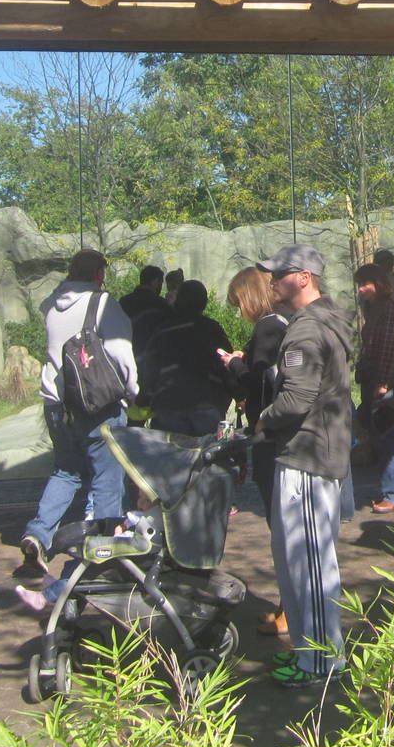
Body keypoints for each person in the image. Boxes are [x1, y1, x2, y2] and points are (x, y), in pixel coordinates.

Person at [252, 243, 355, 688]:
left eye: (280, 274)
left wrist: (262, 419)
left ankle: (322, 664)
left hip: (308, 458)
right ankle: (309, 656)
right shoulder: (328, 319)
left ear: (304, 278)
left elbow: (295, 400)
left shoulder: (306, 329)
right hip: (315, 454)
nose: (272, 282)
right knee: (299, 562)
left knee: (310, 565)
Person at [19, 249, 137, 570]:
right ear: (99, 274)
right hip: (97, 404)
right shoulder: (103, 304)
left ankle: (39, 534)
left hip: (56, 403)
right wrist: (134, 391)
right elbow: (120, 352)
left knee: (66, 471)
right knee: (107, 479)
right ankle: (102, 555)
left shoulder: (50, 306)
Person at [218, 265, 294, 636]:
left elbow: (259, 380)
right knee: (282, 524)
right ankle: (289, 605)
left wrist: (234, 364)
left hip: (270, 435)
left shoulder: (268, 326)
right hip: (279, 433)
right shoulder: (283, 321)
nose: (238, 311)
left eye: (238, 303)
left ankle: (290, 609)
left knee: (280, 526)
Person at [353, 262, 394, 514]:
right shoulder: (375, 309)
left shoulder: (389, 309)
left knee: (385, 437)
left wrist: (381, 383)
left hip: (388, 379)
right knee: (380, 433)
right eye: (359, 284)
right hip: (377, 378)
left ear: (379, 284)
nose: (360, 289)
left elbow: (389, 349)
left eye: (365, 284)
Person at [139, 279, 235, 436]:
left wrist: (145, 399)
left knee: (170, 457)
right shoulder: (212, 329)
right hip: (207, 405)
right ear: (203, 303)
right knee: (207, 457)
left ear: (179, 301)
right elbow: (226, 364)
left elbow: (149, 368)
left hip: (169, 405)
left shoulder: (163, 330)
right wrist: (237, 394)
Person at [119, 264, 172, 356]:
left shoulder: (124, 301)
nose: (161, 287)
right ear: (155, 282)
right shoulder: (161, 304)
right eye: (161, 283)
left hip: (129, 352)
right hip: (153, 356)